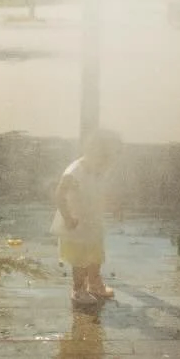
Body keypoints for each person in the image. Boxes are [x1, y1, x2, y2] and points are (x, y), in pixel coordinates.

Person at [52, 129, 121, 309]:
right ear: (91, 152)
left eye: (108, 160)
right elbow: (59, 195)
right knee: (80, 259)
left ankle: (95, 284)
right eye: (104, 158)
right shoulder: (74, 172)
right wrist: (67, 217)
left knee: (95, 255)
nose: (106, 165)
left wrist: (113, 206)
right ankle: (78, 289)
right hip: (76, 223)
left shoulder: (97, 170)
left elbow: (100, 191)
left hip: (93, 221)